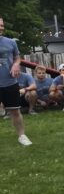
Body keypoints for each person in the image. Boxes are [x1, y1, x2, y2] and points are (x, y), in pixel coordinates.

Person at [0, 16, 31, 145]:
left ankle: (22, 136)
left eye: (2, 25)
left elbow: (17, 57)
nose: (1, 28)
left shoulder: (10, 42)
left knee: (15, 111)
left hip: (10, 82)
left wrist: (16, 64)